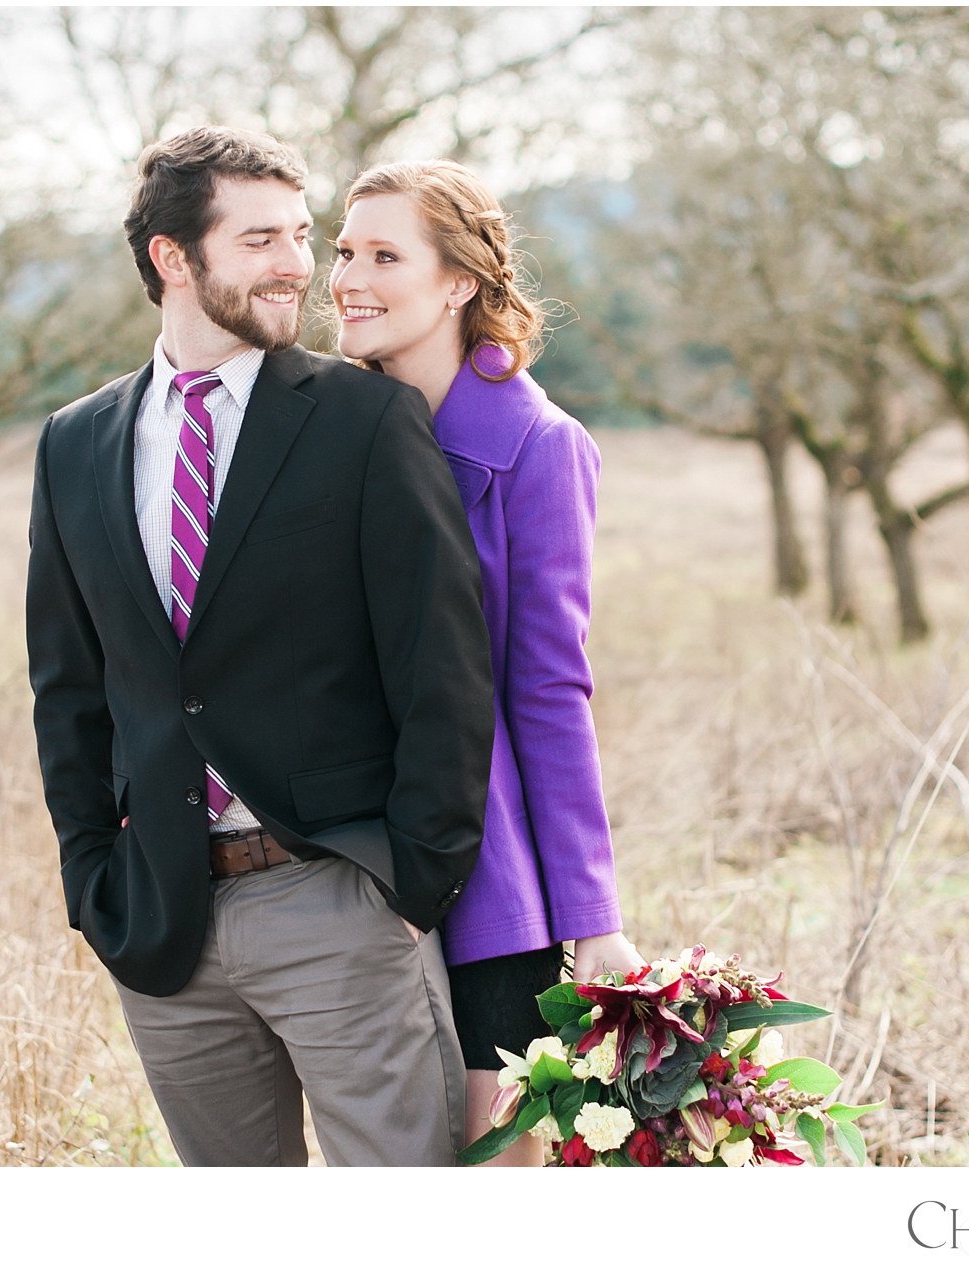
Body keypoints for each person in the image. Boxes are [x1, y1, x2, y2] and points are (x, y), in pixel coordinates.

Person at [26, 127, 496, 1167]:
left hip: (336, 903)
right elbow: (68, 689)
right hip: (161, 921)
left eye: (300, 234)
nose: (297, 264)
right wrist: (93, 878)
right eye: (260, 240)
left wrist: (407, 888)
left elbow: (444, 668)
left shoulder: (364, 419)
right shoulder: (76, 444)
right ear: (174, 260)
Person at [330, 160, 645, 1167]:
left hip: (485, 881)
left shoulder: (539, 448)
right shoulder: (322, 438)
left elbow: (548, 691)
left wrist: (591, 918)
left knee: (487, 1178)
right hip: (335, 872)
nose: (348, 279)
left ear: (460, 282)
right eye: (343, 252)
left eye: (386, 256)